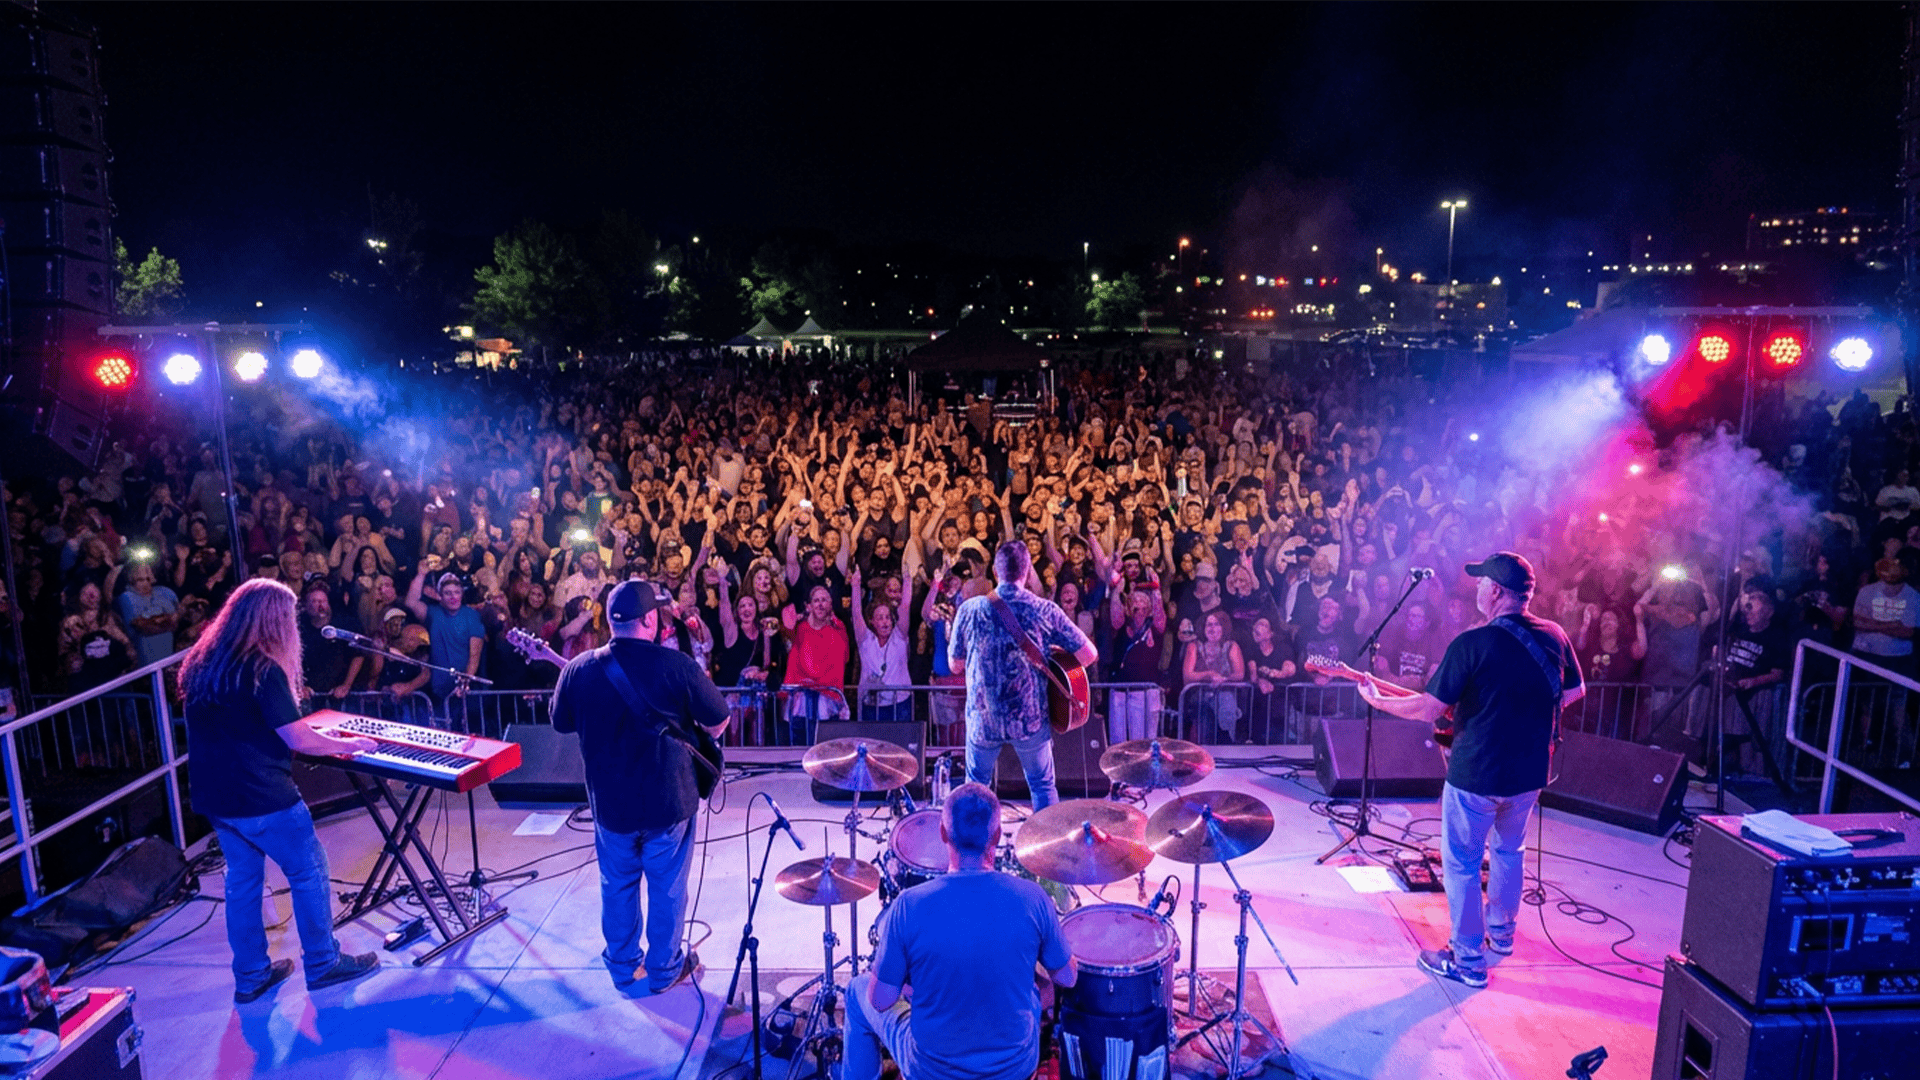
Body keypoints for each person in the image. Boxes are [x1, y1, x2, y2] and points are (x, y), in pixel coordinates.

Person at [1357, 552, 1583, 989]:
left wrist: (1378, 701)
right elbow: (1575, 690)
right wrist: (1528, 715)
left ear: (1495, 592)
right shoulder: (1554, 635)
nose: (1476, 588)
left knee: (1461, 864)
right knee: (1509, 852)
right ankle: (1501, 937)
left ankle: (1468, 961)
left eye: (1481, 583)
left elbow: (1429, 708)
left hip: (1477, 773)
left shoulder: (1472, 643)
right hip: (1529, 772)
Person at [175, 578, 381, 1003]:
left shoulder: (201, 663)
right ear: (271, 620)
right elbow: (298, 738)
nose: (293, 626)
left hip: (218, 799)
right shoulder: (262, 669)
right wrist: (351, 744)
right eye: (288, 617)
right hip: (263, 796)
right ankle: (323, 963)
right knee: (308, 871)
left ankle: (251, 976)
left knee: (242, 883)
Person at [549, 579, 729, 994]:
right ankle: (663, 970)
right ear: (649, 620)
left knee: (617, 886)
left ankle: (621, 966)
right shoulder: (678, 665)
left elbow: (560, 722)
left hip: (611, 806)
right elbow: (719, 721)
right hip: (669, 802)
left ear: (611, 622)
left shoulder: (579, 668)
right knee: (667, 888)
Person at [844, 782, 1077, 1080]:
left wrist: (912, 988)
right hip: (1014, 1069)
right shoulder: (1033, 898)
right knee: (1033, 993)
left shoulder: (908, 905)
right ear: (996, 836)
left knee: (857, 991)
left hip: (931, 1071)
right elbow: (1068, 978)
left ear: (942, 832)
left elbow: (880, 1000)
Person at [948, 541, 1097, 811]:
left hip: (983, 719)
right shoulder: (1045, 610)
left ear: (995, 571)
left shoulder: (969, 610)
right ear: (1027, 572)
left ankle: (974, 838)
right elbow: (1088, 654)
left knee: (976, 785)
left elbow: (955, 665)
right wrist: (1053, 657)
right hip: (1029, 720)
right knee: (1041, 785)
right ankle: (1043, 838)